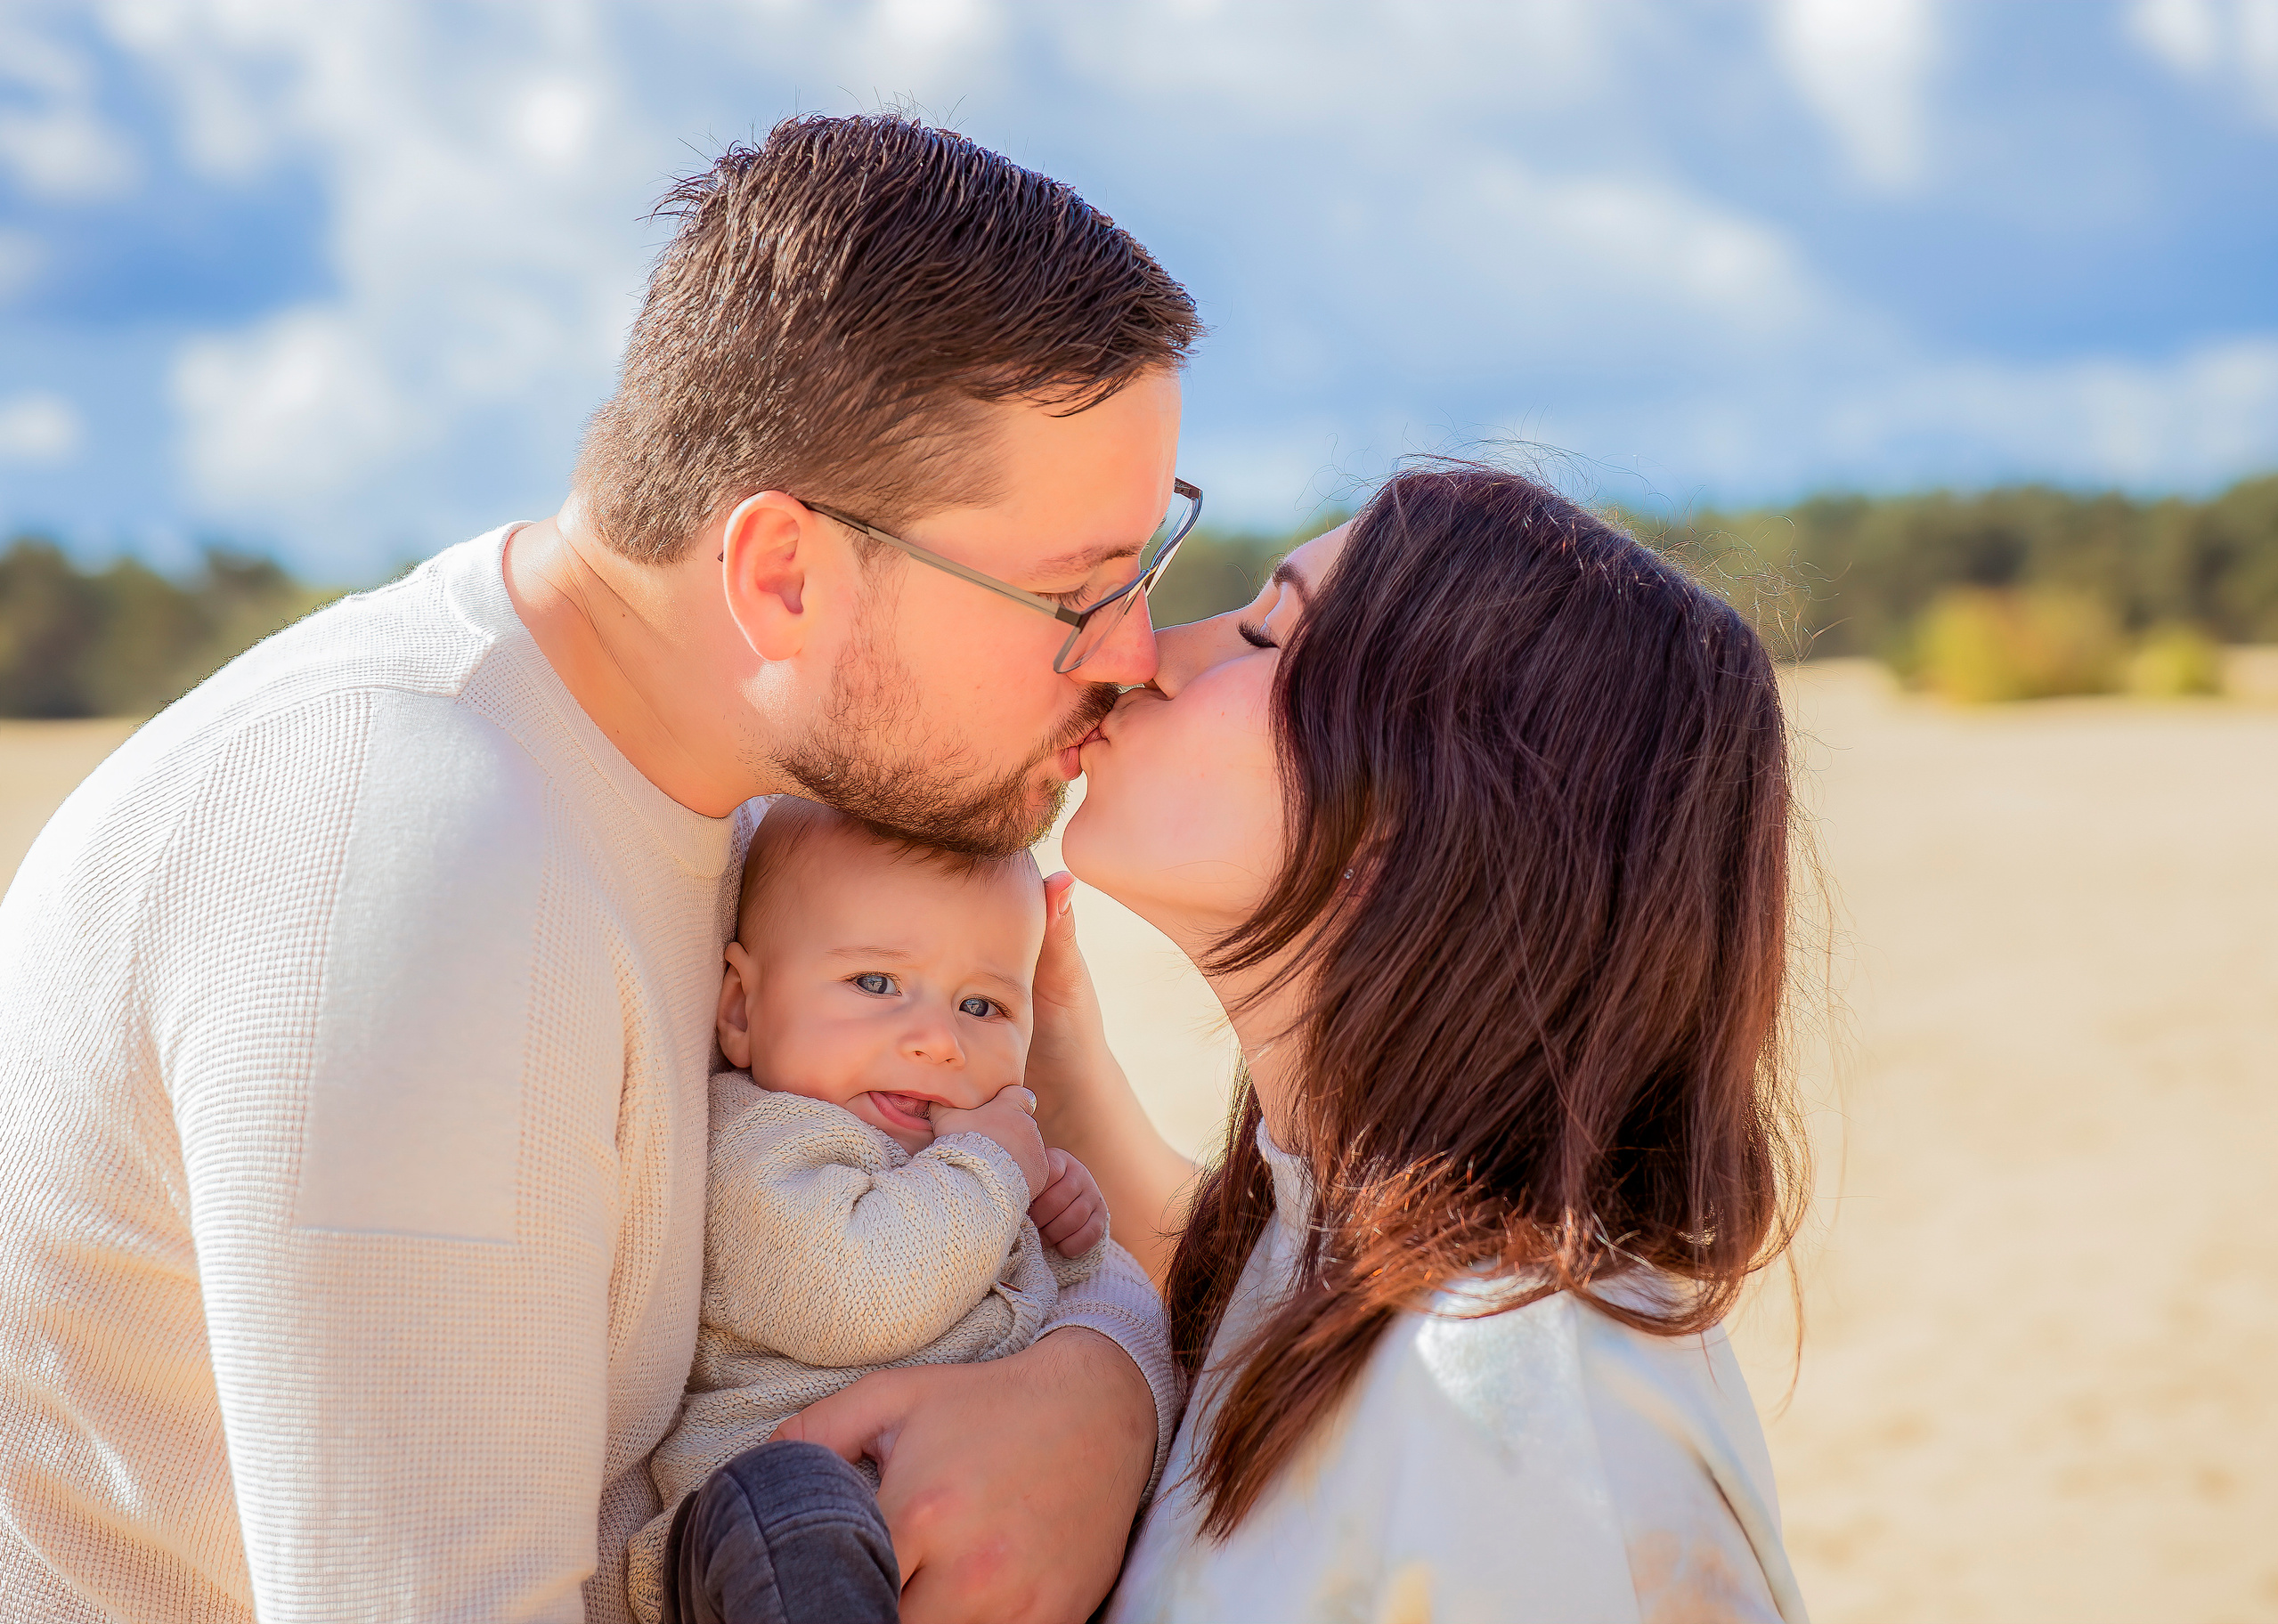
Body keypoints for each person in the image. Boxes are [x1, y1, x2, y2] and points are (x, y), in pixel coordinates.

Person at [0, 115, 1198, 1622]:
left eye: (1148, 569)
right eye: (1076, 593)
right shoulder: (419, 867)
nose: (1136, 657)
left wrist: (1098, 1388)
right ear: (779, 574)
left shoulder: (738, 817)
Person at [1035, 464, 1817, 1622]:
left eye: (1264, 632)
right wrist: (1041, 1039)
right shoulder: (1334, 1246)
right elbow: (1201, 1270)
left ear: (1414, 821)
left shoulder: (1513, 1404)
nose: (1145, 652)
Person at [626, 797, 1112, 1624]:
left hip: (966, 1533)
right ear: (741, 1010)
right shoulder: (761, 1143)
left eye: (983, 1006)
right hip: (756, 1541)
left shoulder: (971, 1157)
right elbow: (856, 1293)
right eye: (877, 983)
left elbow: (1055, 1310)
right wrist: (992, 1168)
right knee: (794, 1502)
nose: (938, 1040)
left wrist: (1062, 1219)